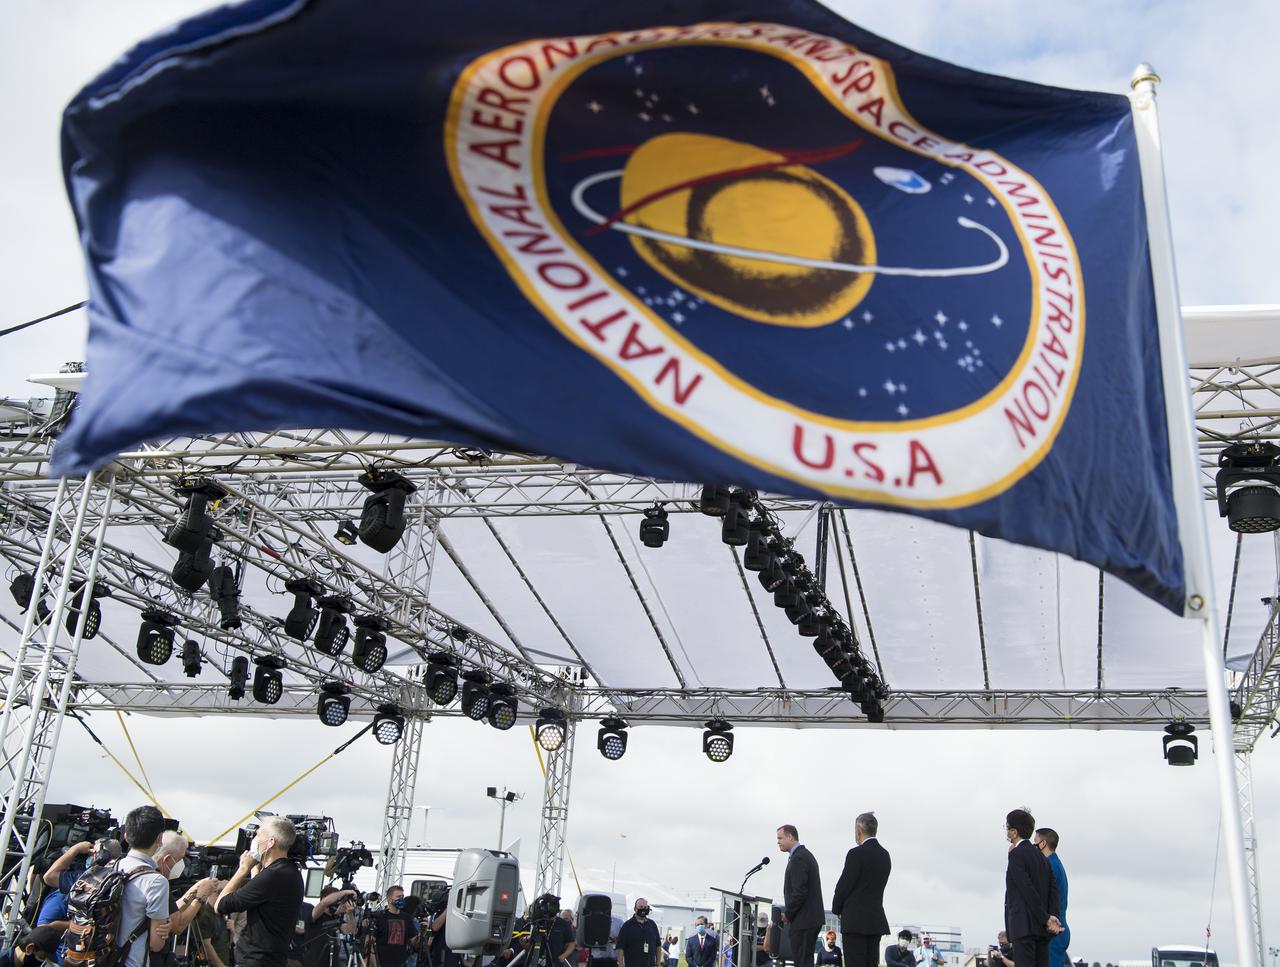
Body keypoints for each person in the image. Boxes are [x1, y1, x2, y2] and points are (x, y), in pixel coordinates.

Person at [215, 816, 305, 967]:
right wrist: (256, 869)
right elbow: (260, 897)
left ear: (271, 842)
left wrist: (243, 869)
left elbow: (221, 905)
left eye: (258, 835)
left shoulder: (273, 875)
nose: (253, 840)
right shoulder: (290, 872)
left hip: (256, 961)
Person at [1002, 809, 1061, 967]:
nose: (1006, 831)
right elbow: (1053, 890)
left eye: (1007, 827)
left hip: (1024, 927)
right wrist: (1052, 916)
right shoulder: (1042, 858)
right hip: (1042, 931)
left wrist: (1045, 918)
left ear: (1014, 832)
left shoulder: (1017, 855)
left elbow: (1026, 888)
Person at [831, 813, 890, 967]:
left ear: (858, 830)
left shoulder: (856, 854)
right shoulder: (885, 855)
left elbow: (844, 885)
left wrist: (837, 908)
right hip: (875, 920)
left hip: (855, 922)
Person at [776, 825, 823, 967]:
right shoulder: (802, 855)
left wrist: (788, 914)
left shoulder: (799, 858)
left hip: (804, 920)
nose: (778, 842)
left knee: (802, 961)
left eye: (780, 838)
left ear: (790, 837)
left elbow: (800, 891)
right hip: (808, 919)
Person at [1033, 830, 1069, 967]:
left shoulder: (1049, 867)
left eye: (1035, 842)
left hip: (1053, 931)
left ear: (1043, 843)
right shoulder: (1056, 864)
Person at [302, 887, 358, 967]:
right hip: (314, 962)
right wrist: (344, 892)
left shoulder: (335, 918)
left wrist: (350, 914)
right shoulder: (315, 914)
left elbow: (352, 930)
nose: (337, 903)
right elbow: (324, 903)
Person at [370, 886, 419, 967]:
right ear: (389, 899)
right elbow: (371, 944)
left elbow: (415, 942)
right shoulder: (380, 917)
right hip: (382, 963)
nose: (401, 899)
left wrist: (422, 934)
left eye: (402, 896)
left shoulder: (407, 918)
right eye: (398, 897)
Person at [615, 900, 660, 967]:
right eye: (641, 907)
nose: (643, 909)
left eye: (645, 907)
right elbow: (620, 948)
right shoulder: (627, 926)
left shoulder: (652, 925)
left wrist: (658, 963)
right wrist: (621, 965)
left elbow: (658, 945)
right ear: (635, 909)